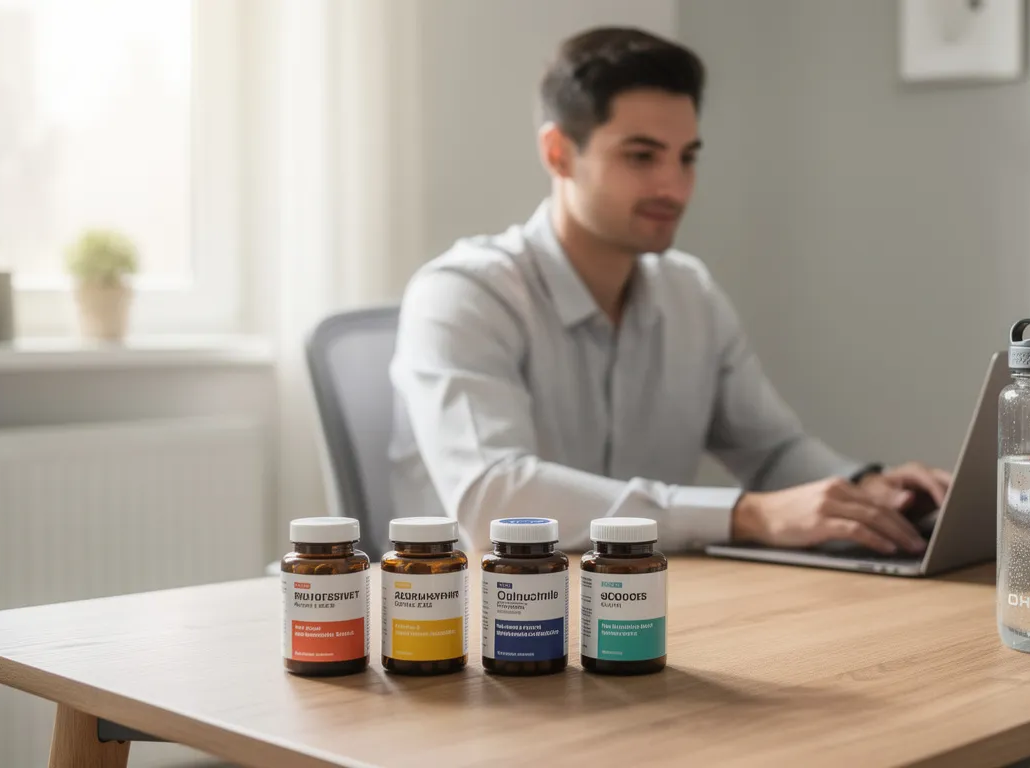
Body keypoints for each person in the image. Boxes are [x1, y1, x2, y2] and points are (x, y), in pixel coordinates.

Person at [390, 27, 952, 554]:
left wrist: (870, 491)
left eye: (687, 157)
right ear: (559, 153)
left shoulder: (690, 293)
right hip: (485, 627)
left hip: (652, 606)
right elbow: (495, 499)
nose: (674, 185)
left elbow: (773, 450)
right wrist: (745, 515)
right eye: (641, 156)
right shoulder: (463, 294)